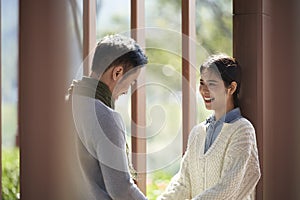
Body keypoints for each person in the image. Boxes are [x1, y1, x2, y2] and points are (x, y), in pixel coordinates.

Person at [158, 54, 261, 200]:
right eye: (202, 83)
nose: (204, 90)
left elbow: (227, 189)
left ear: (231, 88)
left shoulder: (243, 130)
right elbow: (183, 184)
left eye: (212, 84)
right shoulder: (197, 132)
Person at [68, 34, 148, 200]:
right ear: (117, 72)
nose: (127, 90)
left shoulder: (64, 105)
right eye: (132, 82)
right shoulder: (105, 117)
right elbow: (121, 190)